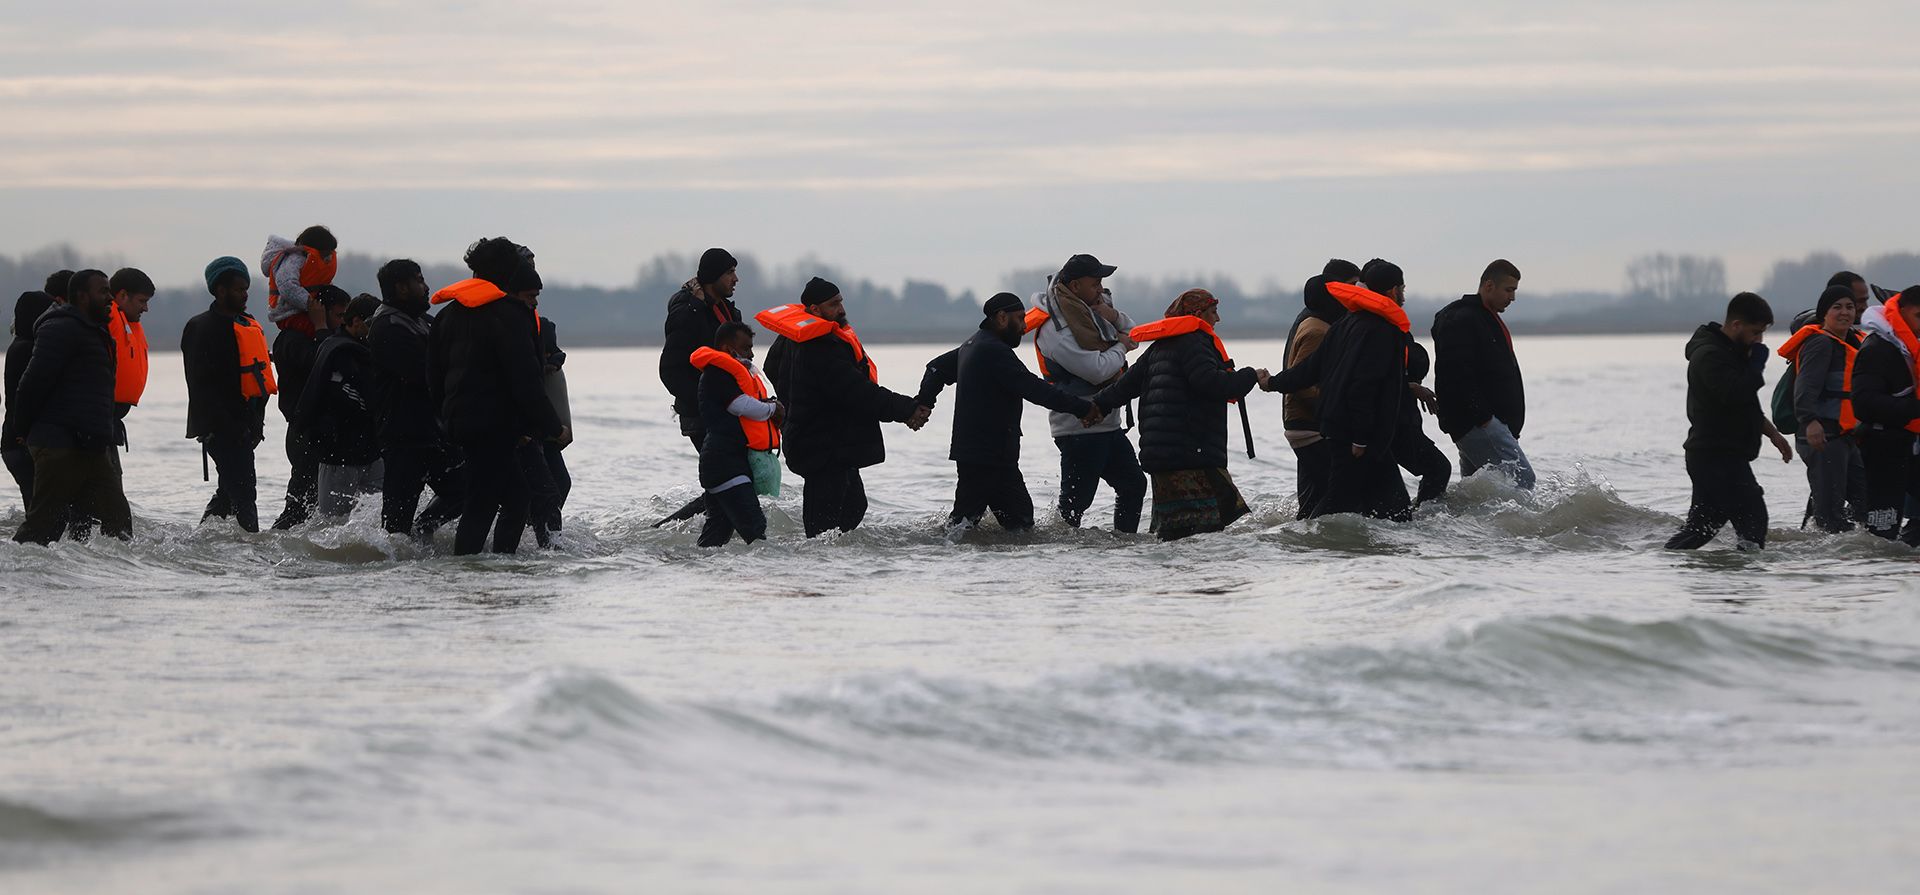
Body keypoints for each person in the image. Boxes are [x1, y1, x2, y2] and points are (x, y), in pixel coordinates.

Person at [760, 277, 929, 537]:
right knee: (822, 529)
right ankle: (818, 570)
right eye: (833, 304)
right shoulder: (819, 346)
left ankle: (840, 570)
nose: (841, 309)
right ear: (814, 309)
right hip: (821, 446)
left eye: (840, 302)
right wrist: (907, 409)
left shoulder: (790, 339)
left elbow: (773, 369)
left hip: (830, 442)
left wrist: (796, 400)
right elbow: (858, 392)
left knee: (854, 506)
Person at [1090, 289, 1263, 541]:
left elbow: (1124, 386)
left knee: (1175, 534)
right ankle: (1195, 577)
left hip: (1164, 456)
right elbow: (1211, 383)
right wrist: (1251, 376)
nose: (1218, 319)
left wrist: (1095, 407)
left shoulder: (1161, 347)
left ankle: (1173, 577)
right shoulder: (1194, 342)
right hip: (1190, 455)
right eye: (1213, 312)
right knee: (1202, 534)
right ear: (1197, 314)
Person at [429, 237, 567, 555]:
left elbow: (433, 378)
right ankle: (474, 569)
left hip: (460, 423)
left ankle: (496, 567)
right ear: (508, 272)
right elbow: (525, 380)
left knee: (514, 496)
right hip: (495, 426)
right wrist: (551, 426)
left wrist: (447, 417)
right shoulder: (510, 315)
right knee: (485, 500)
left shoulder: (447, 316)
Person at [922, 293, 1101, 535]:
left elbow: (935, 368)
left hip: (991, 456)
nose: (1025, 326)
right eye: (1019, 319)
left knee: (1019, 524)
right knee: (965, 525)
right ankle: (942, 558)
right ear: (1002, 318)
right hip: (985, 456)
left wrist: (924, 402)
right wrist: (1083, 408)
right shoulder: (992, 351)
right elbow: (1035, 389)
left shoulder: (973, 345)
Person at [1263, 262, 1416, 521]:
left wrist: (1273, 383)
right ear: (1392, 291)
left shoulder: (1346, 324)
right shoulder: (1381, 330)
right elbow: (1363, 386)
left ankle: (1312, 539)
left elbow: (1309, 369)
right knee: (1386, 506)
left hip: (1337, 430)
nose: (1403, 295)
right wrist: (1361, 438)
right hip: (1357, 437)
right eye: (1402, 288)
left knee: (1348, 501)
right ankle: (1303, 538)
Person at [9, 269, 132, 544]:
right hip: (59, 445)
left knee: (118, 522)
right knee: (44, 525)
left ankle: (114, 580)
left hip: (92, 445)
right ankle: (13, 575)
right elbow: (32, 384)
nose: (110, 298)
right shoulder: (60, 328)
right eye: (103, 291)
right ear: (81, 296)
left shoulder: (95, 330)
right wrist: (25, 430)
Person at [1665, 293, 1794, 550]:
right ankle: (1746, 582)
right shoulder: (1709, 356)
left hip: (1716, 456)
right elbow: (1736, 394)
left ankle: (1668, 566)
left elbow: (1745, 406)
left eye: (1762, 334)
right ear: (1736, 325)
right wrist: (1756, 366)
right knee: (1753, 518)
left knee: (1700, 530)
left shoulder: (1731, 353)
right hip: (1716, 456)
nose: (1759, 340)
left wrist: (1773, 434)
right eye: (1755, 333)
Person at [1027, 254, 1146, 533]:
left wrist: (1113, 316)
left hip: (1108, 425)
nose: (1100, 290)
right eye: (1095, 284)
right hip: (1077, 429)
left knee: (1134, 485)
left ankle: (1123, 543)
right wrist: (1121, 346)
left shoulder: (1091, 313)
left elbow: (1134, 333)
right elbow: (1097, 371)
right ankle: (1062, 552)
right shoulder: (1055, 329)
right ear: (1076, 286)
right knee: (1076, 504)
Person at [369, 259, 463, 538]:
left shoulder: (422, 321)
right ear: (401, 288)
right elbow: (423, 372)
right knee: (397, 522)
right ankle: (395, 560)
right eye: (419, 281)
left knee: (465, 490)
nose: (426, 287)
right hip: (403, 437)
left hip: (434, 432)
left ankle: (423, 533)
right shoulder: (386, 327)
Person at [183, 257, 276, 533]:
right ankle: (254, 552)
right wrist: (231, 428)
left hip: (246, 427)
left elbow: (257, 381)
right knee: (245, 495)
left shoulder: (246, 324)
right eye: (238, 289)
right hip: (223, 429)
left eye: (246, 288)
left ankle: (197, 540)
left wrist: (255, 425)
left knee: (228, 494)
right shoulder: (201, 327)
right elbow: (201, 387)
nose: (245, 294)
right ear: (220, 290)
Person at [657, 248, 744, 524]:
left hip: (728, 410)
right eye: (730, 273)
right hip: (702, 414)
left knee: (732, 481)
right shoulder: (687, 313)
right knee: (730, 481)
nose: (736, 279)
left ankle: (692, 531)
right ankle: (668, 529)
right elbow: (669, 371)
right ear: (712, 277)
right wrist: (707, 403)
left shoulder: (727, 310)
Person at [1433, 259, 1533, 489]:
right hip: (1480, 425)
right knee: (1523, 481)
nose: (1512, 298)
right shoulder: (1461, 318)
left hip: (1486, 424)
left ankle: (1459, 525)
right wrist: (1484, 419)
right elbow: (1456, 373)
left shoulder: (1485, 318)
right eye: (1509, 290)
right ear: (1489, 286)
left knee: (1476, 492)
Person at [1776, 285, 1865, 533]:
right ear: (1824, 313)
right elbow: (1805, 388)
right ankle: (1821, 561)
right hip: (1821, 435)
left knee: (1864, 500)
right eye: (1837, 307)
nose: (1844, 312)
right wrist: (1810, 421)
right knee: (1829, 511)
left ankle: (1851, 548)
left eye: (1849, 307)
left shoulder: (1851, 343)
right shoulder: (1820, 344)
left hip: (1844, 436)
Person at [691, 322, 783, 547]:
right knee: (755, 527)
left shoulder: (729, 373)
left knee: (718, 532)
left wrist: (769, 405)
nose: (751, 354)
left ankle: (698, 572)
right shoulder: (718, 372)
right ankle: (770, 572)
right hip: (724, 463)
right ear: (728, 348)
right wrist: (773, 409)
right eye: (746, 348)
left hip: (727, 461)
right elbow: (739, 405)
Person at [1281, 259, 1361, 518]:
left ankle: (1306, 544)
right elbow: (1302, 382)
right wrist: (1338, 405)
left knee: (1315, 496)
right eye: (1349, 287)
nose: (1353, 294)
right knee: (1336, 497)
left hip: (1305, 421)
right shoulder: (1317, 327)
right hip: (1310, 423)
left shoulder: (1314, 320)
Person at [296, 294, 384, 520]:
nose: (377, 330)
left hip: (372, 453)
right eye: (373, 324)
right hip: (338, 455)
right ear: (355, 322)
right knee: (332, 523)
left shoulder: (362, 351)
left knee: (375, 521)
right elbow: (326, 399)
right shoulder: (337, 351)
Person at [269, 284, 348, 529]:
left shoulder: (330, 339)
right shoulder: (292, 340)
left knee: (318, 507)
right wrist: (322, 327)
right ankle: (277, 545)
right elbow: (320, 363)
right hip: (305, 433)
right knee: (299, 507)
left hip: (324, 432)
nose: (342, 322)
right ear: (319, 313)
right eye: (338, 315)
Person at [1849, 288, 1920, 542]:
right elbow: (1864, 404)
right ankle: (1876, 578)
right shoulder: (1878, 348)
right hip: (1881, 447)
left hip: (1908, 446)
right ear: (1900, 313)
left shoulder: (1909, 348)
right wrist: (1915, 408)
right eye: (1919, 316)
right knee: (1882, 534)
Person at [504, 265, 565, 547]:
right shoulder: (503, 325)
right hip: (518, 426)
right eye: (530, 296)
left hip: (534, 425)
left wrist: (554, 358)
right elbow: (522, 383)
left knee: (557, 486)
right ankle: (542, 548)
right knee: (537, 493)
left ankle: (545, 543)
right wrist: (552, 426)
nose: (535, 302)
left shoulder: (539, 324)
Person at [3, 289, 55, 507]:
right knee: (41, 511)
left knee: (36, 508)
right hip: (22, 441)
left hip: (14, 440)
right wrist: (24, 431)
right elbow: (23, 396)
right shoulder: (28, 349)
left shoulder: (19, 345)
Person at [1396, 341, 1451, 506]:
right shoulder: (1376, 333)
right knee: (1439, 468)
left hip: (1403, 423)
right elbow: (1370, 380)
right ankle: (1424, 516)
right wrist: (1409, 387)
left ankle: (1420, 516)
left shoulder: (1396, 333)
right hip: (1391, 427)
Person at [261, 225, 340, 336]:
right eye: (326, 253)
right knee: (315, 330)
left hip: (306, 310)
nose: (329, 257)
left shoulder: (312, 263)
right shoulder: (293, 260)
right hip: (288, 313)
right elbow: (287, 286)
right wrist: (310, 304)